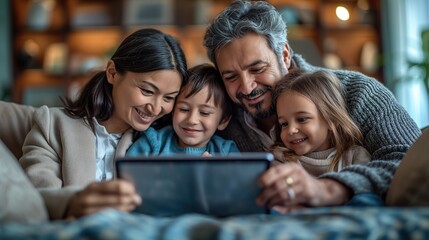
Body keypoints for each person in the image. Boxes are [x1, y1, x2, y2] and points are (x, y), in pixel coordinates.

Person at [203, 0, 421, 210]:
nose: (247, 88)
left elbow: (411, 163)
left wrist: (328, 189)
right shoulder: (217, 115)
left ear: (285, 55)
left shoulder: (359, 91)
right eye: (231, 76)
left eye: (257, 69)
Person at [18, 28, 188, 220]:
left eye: (169, 98)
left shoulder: (160, 139)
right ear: (112, 73)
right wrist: (74, 202)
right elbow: (34, 198)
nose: (156, 108)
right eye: (147, 91)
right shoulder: (52, 125)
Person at [270, 69, 371, 177]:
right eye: (284, 124)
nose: (290, 130)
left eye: (302, 119)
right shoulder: (280, 160)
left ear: (332, 119)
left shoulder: (354, 157)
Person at [127, 63, 239, 156]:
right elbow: (127, 174)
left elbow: (240, 181)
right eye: (184, 109)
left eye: (204, 113)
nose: (192, 120)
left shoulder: (226, 152)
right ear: (173, 110)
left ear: (223, 120)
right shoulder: (153, 143)